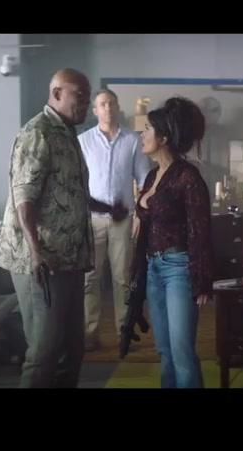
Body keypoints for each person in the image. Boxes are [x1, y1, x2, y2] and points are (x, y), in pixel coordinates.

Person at [0, 68, 94, 388]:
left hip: (70, 260)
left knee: (72, 350)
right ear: (57, 94)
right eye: (80, 95)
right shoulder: (38, 133)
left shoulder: (66, 134)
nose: (86, 103)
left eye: (87, 97)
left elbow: (68, 191)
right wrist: (36, 251)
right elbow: (24, 199)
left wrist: (108, 208)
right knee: (44, 350)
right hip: (42, 262)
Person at [131, 96, 214, 388]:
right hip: (154, 268)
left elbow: (200, 230)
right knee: (164, 352)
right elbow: (145, 220)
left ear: (163, 138)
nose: (142, 134)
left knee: (182, 352)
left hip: (179, 269)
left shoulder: (188, 176)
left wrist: (202, 279)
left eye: (147, 129)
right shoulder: (152, 175)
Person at [78, 89, 152, 351]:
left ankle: (124, 332)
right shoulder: (83, 141)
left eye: (111, 103)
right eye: (102, 104)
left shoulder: (133, 140)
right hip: (91, 220)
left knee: (122, 279)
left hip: (123, 220)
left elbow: (144, 181)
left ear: (118, 107)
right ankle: (89, 335)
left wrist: (140, 216)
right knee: (89, 279)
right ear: (95, 110)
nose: (107, 108)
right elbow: (77, 184)